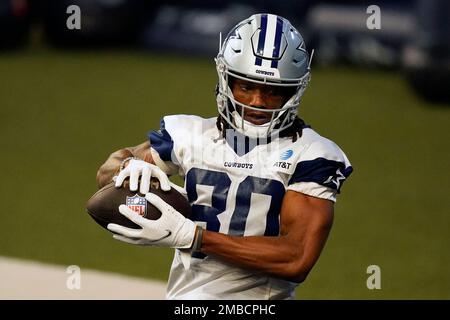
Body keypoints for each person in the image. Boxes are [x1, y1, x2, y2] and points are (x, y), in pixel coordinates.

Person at [96, 13, 353, 300]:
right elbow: (106, 177)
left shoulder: (312, 154)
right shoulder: (189, 135)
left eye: (272, 91)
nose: (257, 101)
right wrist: (128, 167)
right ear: (226, 80)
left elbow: (297, 258)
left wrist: (193, 236)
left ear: (293, 91)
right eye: (246, 87)